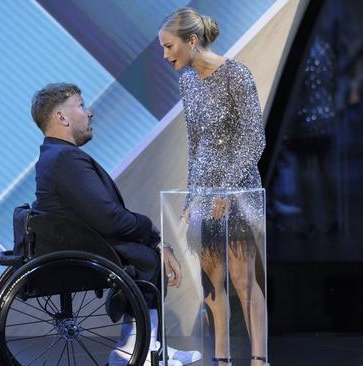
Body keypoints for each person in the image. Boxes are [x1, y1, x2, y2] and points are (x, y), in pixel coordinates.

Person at [29, 83, 201, 365]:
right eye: (82, 105)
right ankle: (135, 349)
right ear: (62, 117)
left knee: (147, 254)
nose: (90, 112)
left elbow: (105, 217)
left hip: (83, 242)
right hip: (82, 249)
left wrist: (154, 239)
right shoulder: (64, 158)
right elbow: (108, 218)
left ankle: (145, 345)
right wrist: (152, 234)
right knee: (147, 258)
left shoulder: (58, 156)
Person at [159, 8, 268, 366]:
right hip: (204, 191)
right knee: (211, 284)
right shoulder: (186, 82)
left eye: (169, 46)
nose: (165, 55)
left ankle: (258, 359)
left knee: (242, 279)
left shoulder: (236, 75)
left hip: (238, 189)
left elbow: (255, 140)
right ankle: (219, 359)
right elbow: (195, 144)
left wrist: (226, 189)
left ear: (192, 41)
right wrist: (193, 197)